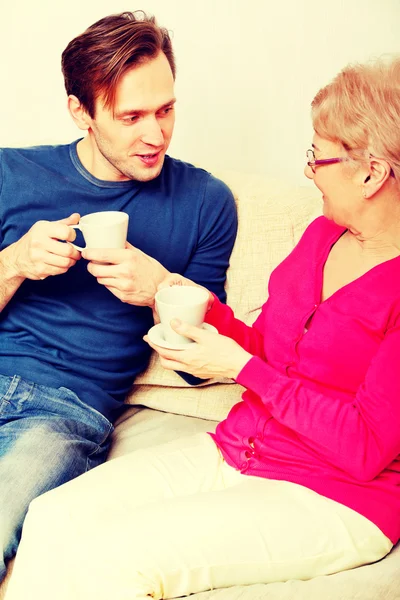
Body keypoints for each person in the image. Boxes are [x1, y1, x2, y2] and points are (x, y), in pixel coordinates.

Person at [5, 55, 400, 600]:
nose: (309, 172)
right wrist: (170, 291)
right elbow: (267, 348)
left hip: (336, 493)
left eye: (319, 157)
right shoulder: (322, 237)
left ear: (372, 172)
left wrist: (240, 368)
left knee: (119, 561)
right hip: (238, 446)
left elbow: (364, 444)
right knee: (51, 518)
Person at [0, 10, 237, 594]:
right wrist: (13, 265)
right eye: (131, 117)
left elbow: (199, 364)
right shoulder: (12, 174)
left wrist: (162, 289)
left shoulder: (206, 202)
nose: (154, 134)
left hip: (60, 412)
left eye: (165, 110)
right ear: (81, 112)